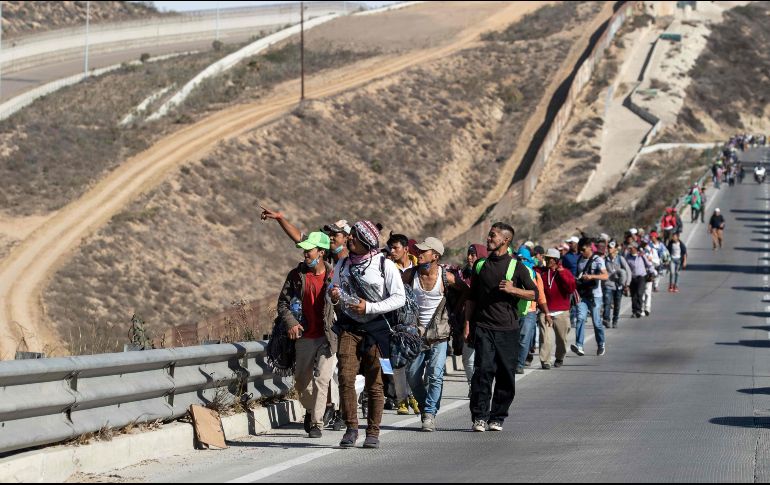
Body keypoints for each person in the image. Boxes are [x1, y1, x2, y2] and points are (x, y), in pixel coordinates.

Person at [330, 221, 406, 449]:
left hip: (377, 331)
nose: (349, 238)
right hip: (349, 328)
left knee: (375, 383)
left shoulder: (384, 265)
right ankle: (351, 428)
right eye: (350, 235)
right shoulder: (342, 264)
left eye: (354, 236)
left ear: (366, 241)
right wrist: (334, 296)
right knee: (345, 378)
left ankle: (373, 431)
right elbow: (332, 289)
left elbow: (398, 298)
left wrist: (370, 308)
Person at [464, 222, 538, 432]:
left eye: (493, 236)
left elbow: (534, 294)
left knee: (506, 375)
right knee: (483, 371)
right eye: (489, 235)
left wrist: (514, 290)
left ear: (505, 240)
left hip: (508, 329)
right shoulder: (480, 265)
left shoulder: (517, 267)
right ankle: (479, 416)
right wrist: (467, 325)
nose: (488, 238)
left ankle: (497, 417)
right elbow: (471, 298)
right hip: (484, 327)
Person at [276, 232, 337, 439]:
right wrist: (291, 323)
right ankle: (311, 410)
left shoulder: (334, 275)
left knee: (322, 379)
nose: (305, 254)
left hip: (328, 337)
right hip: (304, 337)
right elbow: (283, 303)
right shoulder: (296, 275)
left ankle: (317, 422)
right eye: (305, 250)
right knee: (301, 380)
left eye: (309, 250)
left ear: (321, 252)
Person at [403, 237, 468, 432]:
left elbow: (466, 291)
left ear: (436, 256)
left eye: (424, 251)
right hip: (415, 334)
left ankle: (430, 413)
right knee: (412, 376)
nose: (419, 253)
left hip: (440, 334)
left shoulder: (446, 277)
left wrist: (454, 310)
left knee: (435, 374)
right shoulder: (409, 275)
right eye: (419, 250)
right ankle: (425, 407)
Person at [385, 233, 420, 416]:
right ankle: (401, 400)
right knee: (397, 363)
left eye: (395, 248)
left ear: (406, 249)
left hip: (414, 322)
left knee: (413, 362)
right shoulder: (386, 267)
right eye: (390, 248)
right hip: (393, 322)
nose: (392, 251)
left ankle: (415, 394)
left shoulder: (417, 268)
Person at [570, 238, 608, 357]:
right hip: (583, 295)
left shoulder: (598, 260)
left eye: (583, 249)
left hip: (595, 295)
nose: (581, 252)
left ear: (589, 247)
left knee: (596, 322)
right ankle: (579, 345)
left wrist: (591, 276)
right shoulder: (580, 260)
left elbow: (605, 276)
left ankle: (601, 343)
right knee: (580, 318)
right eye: (580, 250)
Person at [537, 248, 574, 368]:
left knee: (561, 340)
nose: (546, 260)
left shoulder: (565, 272)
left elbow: (571, 289)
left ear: (556, 260)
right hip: (545, 310)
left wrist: (562, 273)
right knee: (545, 338)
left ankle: (559, 357)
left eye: (548, 258)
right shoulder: (541, 272)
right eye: (545, 258)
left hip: (561, 311)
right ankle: (545, 361)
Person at [514, 246, 549, 373]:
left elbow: (540, 295)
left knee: (524, 339)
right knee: (513, 338)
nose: (522, 261)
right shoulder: (512, 271)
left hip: (529, 311)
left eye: (524, 258)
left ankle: (520, 364)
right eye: (519, 258)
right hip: (513, 311)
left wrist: (547, 313)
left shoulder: (535, 275)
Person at [458, 244, 487, 394]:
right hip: (468, 321)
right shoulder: (463, 274)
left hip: (486, 322)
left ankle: (482, 387)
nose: (469, 258)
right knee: (467, 358)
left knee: (483, 359)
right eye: (468, 254)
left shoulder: (488, 273)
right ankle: (472, 385)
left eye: (473, 254)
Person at [602, 240, 631, 329]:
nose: (609, 249)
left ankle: (615, 320)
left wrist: (627, 283)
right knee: (607, 302)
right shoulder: (605, 259)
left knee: (617, 304)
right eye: (609, 248)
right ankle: (606, 320)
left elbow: (628, 271)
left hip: (619, 285)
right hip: (608, 284)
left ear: (615, 249)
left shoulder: (620, 258)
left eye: (611, 248)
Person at [625, 242, 654, 318]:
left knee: (639, 293)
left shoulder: (641, 255)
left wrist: (651, 273)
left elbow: (648, 264)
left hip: (641, 277)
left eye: (631, 248)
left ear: (635, 248)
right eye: (629, 248)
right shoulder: (627, 257)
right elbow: (626, 267)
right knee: (633, 295)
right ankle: (634, 311)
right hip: (632, 277)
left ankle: (639, 310)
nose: (630, 249)